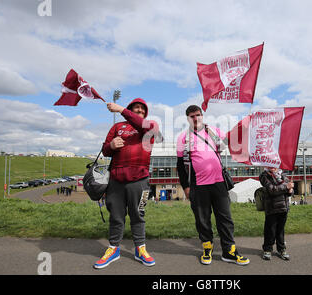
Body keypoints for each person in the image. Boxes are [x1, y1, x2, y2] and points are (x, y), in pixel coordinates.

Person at [176, 105, 249, 266]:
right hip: (198, 185)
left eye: (197, 115)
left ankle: (229, 251)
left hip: (219, 182)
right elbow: (180, 165)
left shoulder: (215, 131)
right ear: (188, 118)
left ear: (202, 115)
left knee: (225, 218)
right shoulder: (183, 138)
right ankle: (207, 248)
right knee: (202, 219)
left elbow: (226, 146)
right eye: (191, 116)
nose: (195, 118)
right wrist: (186, 187)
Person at [93, 98, 162, 269]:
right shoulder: (117, 127)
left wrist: (122, 109)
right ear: (132, 109)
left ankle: (140, 249)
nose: (139, 111)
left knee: (138, 214)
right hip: (116, 180)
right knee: (116, 216)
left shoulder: (150, 125)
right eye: (136, 108)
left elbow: (144, 126)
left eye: (142, 109)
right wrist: (111, 145)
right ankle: (113, 248)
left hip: (140, 180)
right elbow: (105, 150)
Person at [259, 167, 293, 261]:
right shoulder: (264, 176)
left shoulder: (283, 175)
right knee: (270, 230)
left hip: (283, 208)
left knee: (280, 230)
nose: (273, 167)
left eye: (275, 164)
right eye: (270, 164)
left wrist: (291, 191)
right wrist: (286, 187)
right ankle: (267, 249)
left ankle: (281, 249)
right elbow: (272, 190)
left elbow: (289, 190)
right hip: (271, 208)